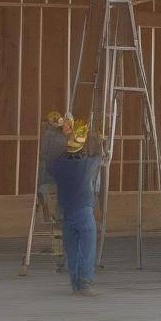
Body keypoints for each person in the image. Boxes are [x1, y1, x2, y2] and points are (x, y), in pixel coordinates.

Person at [46, 118, 102, 295]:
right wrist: (94, 135)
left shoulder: (59, 166)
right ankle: (85, 282)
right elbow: (100, 155)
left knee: (71, 248)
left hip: (65, 212)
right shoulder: (86, 166)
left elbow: (50, 162)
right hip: (84, 211)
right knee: (87, 247)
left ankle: (75, 283)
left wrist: (65, 136)